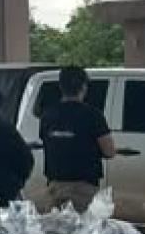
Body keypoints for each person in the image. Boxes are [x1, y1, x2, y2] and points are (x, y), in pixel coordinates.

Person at [39, 66, 115, 212]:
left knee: (56, 230)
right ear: (84, 87)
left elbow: (46, 141)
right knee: (82, 232)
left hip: (55, 184)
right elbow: (109, 151)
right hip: (83, 186)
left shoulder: (47, 116)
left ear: (60, 86)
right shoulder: (93, 115)